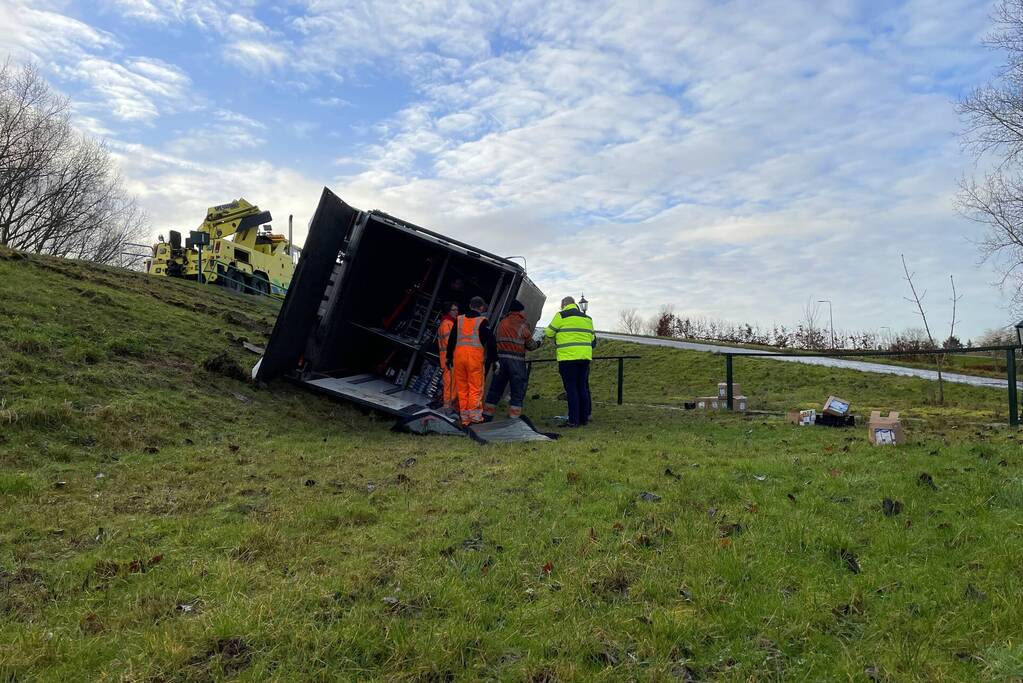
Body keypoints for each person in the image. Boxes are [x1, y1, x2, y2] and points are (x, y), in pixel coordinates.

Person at [545, 296, 596, 427]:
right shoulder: (587, 319)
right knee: (582, 387)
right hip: (584, 358)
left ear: (563, 305)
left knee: (571, 389)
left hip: (568, 358)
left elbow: (549, 333)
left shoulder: (561, 315)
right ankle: (584, 418)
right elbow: (593, 340)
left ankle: (573, 420)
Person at [446, 295, 497, 426]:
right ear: (481, 308)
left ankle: (465, 419)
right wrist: (494, 360)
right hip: (474, 359)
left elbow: (451, 340)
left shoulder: (459, 320)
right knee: (475, 388)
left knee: (462, 389)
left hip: (458, 358)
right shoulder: (482, 321)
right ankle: (474, 418)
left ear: (469, 306)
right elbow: (491, 342)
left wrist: (448, 357)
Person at [483, 300, 538, 420]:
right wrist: (538, 343)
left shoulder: (501, 323)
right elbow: (531, 345)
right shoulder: (523, 325)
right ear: (520, 311)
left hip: (501, 360)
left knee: (495, 390)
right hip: (517, 362)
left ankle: (486, 417)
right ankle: (513, 420)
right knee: (517, 392)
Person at [435, 302, 459, 413]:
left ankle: (448, 407)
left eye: (456, 309)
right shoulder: (446, 324)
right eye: (454, 310)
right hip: (449, 360)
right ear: (448, 311)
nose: (456, 312)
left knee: (452, 384)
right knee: (450, 384)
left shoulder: (450, 323)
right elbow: (450, 343)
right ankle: (446, 408)